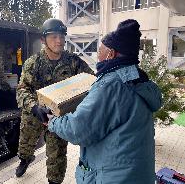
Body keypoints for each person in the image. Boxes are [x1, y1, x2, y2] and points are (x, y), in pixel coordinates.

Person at [47, 19, 162, 184]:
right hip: (138, 174)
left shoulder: (110, 85)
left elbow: (79, 130)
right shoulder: (140, 79)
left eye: (100, 50)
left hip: (114, 177)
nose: (97, 55)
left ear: (111, 54)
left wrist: (52, 121)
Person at [15, 18, 94, 184]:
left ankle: (54, 181)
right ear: (43, 40)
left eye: (61, 36)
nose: (59, 41)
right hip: (35, 113)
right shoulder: (33, 63)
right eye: (53, 37)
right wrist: (34, 107)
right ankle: (25, 159)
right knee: (26, 143)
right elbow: (22, 89)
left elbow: (92, 80)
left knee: (57, 153)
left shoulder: (73, 62)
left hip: (58, 115)